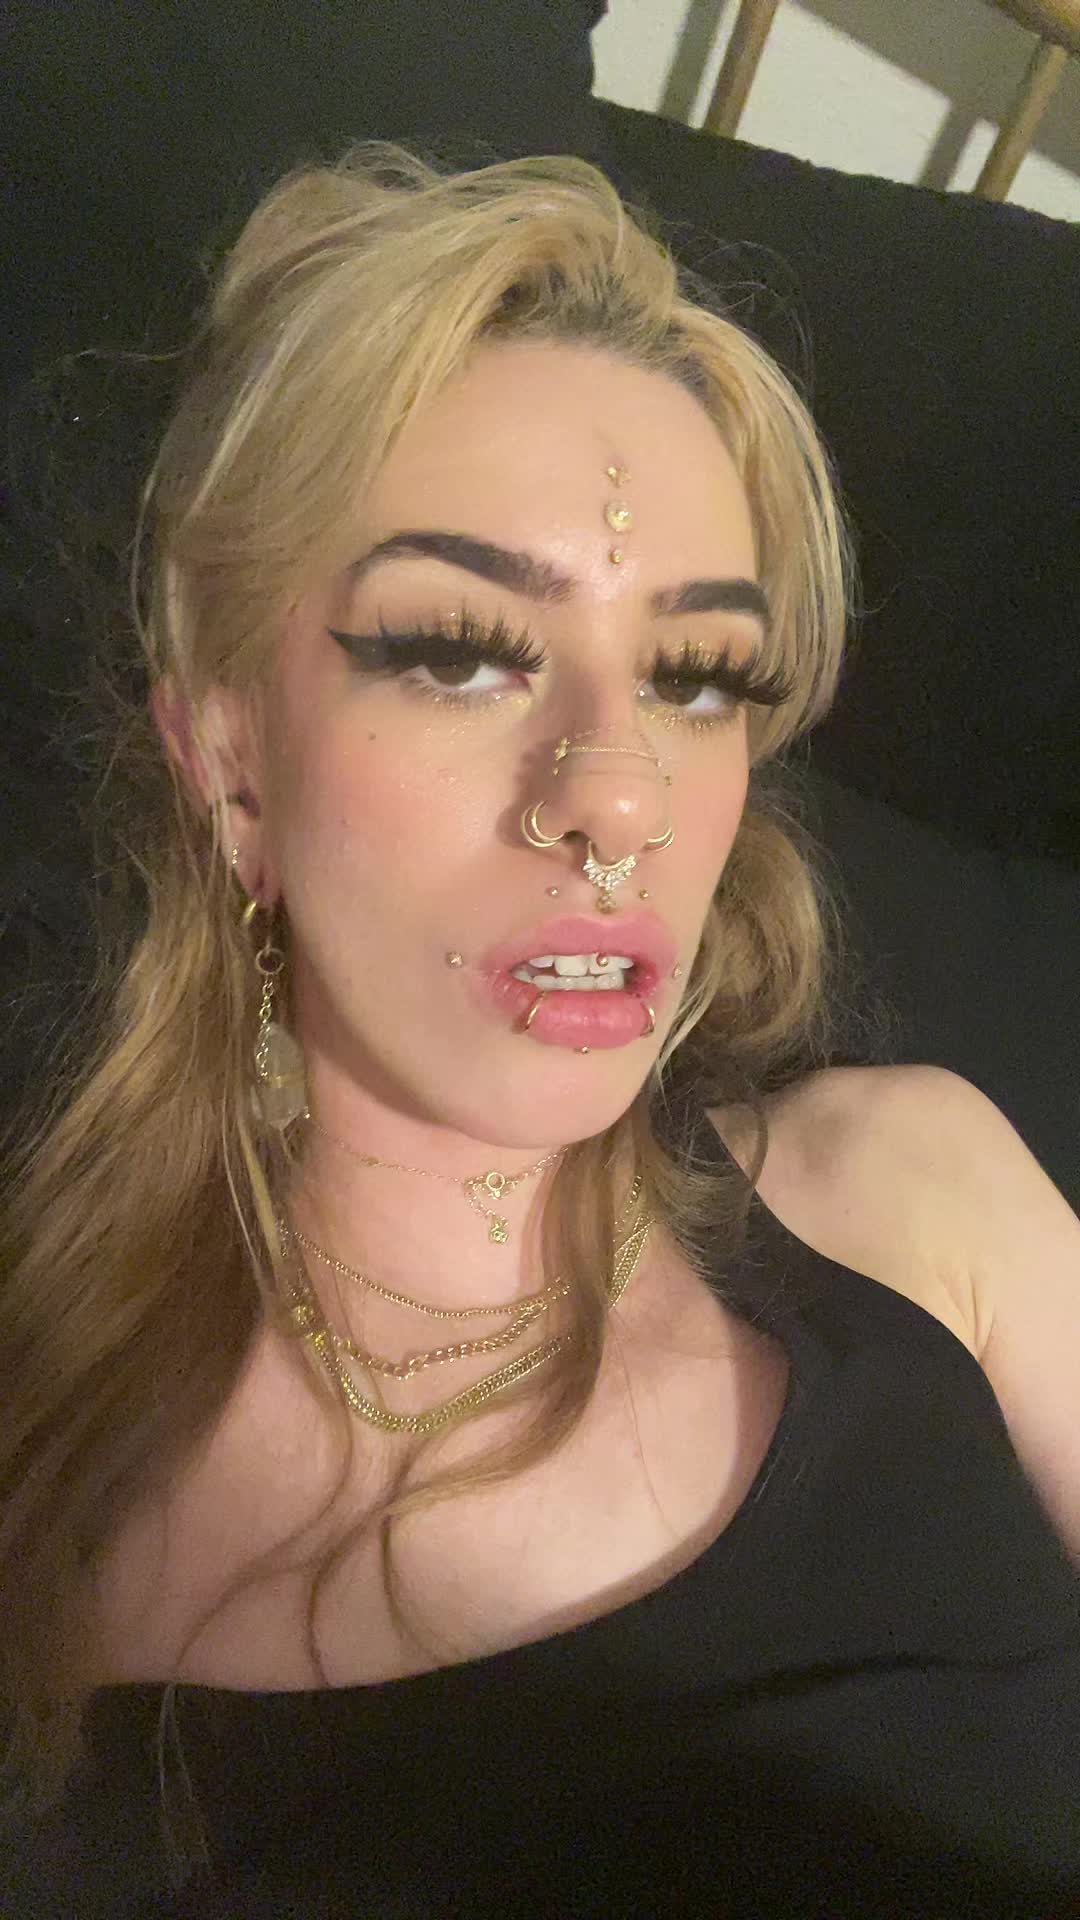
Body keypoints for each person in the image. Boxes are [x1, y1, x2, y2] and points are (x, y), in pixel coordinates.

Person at [2, 141, 1078, 1917]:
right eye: (458, 649)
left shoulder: (916, 1190)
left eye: (698, 675)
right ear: (232, 765)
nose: (621, 796)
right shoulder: (55, 1478)